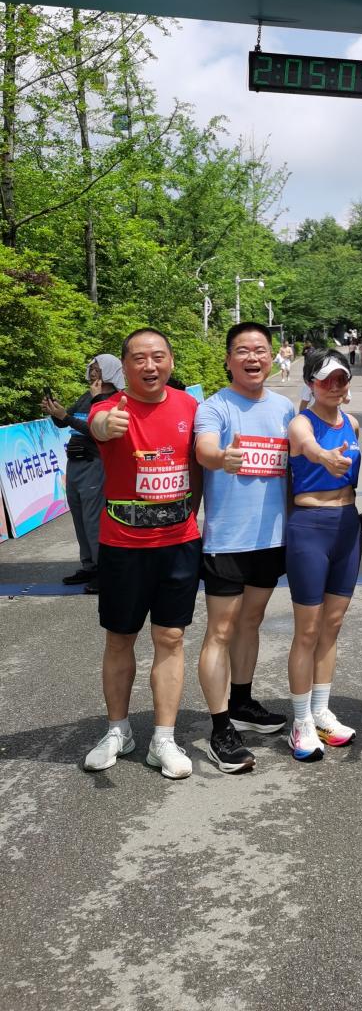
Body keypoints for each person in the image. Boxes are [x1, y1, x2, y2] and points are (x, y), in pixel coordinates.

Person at [83, 328, 202, 780]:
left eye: (158, 356)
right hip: (122, 546)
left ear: (170, 361)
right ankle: (118, 731)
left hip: (179, 544)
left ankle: (163, 739)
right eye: (139, 358)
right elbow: (98, 425)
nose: (149, 366)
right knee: (120, 639)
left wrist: (192, 517)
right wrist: (104, 426)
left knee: (171, 639)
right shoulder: (109, 408)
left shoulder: (190, 407)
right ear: (126, 365)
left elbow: (198, 466)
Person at [194, 322, 294, 774]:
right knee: (220, 630)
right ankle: (220, 729)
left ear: (271, 357)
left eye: (260, 350)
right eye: (242, 351)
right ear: (228, 359)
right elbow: (204, 449)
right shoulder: (215, 407)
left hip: (271, 539)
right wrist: (222, 457)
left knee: (251, 621)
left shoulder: (285, 408)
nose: (252, 358)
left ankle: (242, 703)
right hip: (227, 541)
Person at [285, 349, 362, 762]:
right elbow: (311, 448)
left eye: (341, 379)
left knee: (332, 625)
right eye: (326, 379)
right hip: (310, 527)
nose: (334, 386)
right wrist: (324, 457)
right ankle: (299, 722)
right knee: (307, 630)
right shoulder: (301, 422)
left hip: (347, 525)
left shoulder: (351, 422)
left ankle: (320, 712)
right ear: (311, 383)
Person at [43, 354, 124, 593]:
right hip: (75, 464)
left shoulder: (115, 400)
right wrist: (55, 412)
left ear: (111, 370)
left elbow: (97, 430)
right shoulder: (85, 396)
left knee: (93, 519)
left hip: (95, 463)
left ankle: (103, 570)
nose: (93, 372)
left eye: (98, 368)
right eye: (91, 368)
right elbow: (63, 422)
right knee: (79, 517)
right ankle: (89, 565)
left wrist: (66, 418)